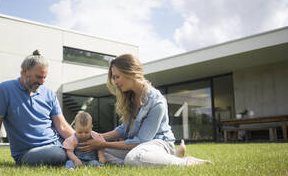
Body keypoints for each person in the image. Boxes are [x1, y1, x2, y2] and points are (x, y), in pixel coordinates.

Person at [78, 54, 211, 166]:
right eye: (114, 78)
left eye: (117, 77)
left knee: (133, 158)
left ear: (130, 72)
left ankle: (186, 162)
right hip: (139, 146)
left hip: (158, 143)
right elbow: (125, 129)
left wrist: (101, 142)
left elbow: (141, 140)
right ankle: (169, 158)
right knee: (98, 151)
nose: (115, 82)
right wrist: (98, 137)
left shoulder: (156, 102)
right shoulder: (130, 96)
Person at [0, 50, 74, 167]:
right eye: (38, 77)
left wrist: (83, 140)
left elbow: (62, 126)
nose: (42, 82)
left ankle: (78, 158)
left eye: (44, 78)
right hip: (29, 153)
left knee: (92, 146)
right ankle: (74, 158)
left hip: (58, 143)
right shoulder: (3, 91)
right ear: (25, 71)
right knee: (60, 153)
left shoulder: (49, 93)